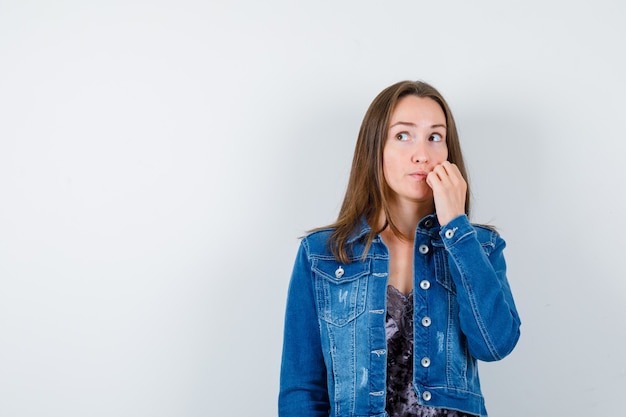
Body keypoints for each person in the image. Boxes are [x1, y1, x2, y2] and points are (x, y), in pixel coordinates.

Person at [278, 80, 521, 417]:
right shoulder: (321, 254)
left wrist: (456, 228)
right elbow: (302, 389)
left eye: (435, 137)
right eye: (403, 135)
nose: (422, 154)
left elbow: (495, 344)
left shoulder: (479, 246)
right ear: (375, 147)